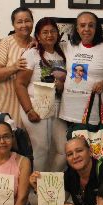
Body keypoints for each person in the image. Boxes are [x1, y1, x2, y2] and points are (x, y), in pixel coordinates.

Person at [15, 17, 67, 172]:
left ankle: (49, 184)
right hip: (36, 105)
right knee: (41, 149)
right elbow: (19, 84)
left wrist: (61, 85)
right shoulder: (31, 54)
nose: (49, 35)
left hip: (59, 107)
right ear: (37, 36)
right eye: (45, 32)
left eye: (53, 31)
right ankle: (36, 188)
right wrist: (29, 110)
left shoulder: (63, 52)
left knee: (63, 150)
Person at [58, 11, 103, 135]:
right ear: (77, 29)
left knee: (94, 149)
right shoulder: (68, 46)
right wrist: (34, 42)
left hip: (94, 111)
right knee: (73, 149)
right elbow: (47, 46)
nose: (86, 29)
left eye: (91, 25)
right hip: (70, 109)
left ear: (96, 28)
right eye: (82, 25)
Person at [0, 7, 33, 127]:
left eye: (27, 20)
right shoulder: (6, 43)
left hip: (30, 106)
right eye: (19, 22)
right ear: (13, 25)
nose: (24, 25)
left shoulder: (36, 44)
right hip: (6, 103)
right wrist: (14, 67)